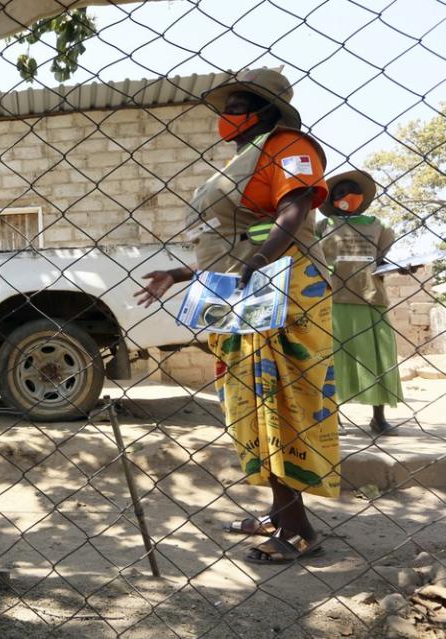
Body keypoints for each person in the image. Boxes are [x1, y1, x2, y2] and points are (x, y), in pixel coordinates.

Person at [135, 69, 341, 564]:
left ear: (267, 110)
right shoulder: (241, 161)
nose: (225, 116)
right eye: (224, 107)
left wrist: (260, 259)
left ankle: (299, 531)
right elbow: (229, 240)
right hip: (243, 294)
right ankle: (278, 510)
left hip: (278, 295)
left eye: (238, 104)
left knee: (279, 405)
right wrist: (182, 273)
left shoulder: (289, 145)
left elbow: (293, 212)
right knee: (251, 406)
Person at [316, 170, 406, 436]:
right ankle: (334, 417)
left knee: (377, 358)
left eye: (352, 190)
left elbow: (384, 260)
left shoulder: (378, 226)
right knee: (334, 359)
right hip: (333, 299)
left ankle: (379, 418)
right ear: (331, 200)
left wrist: (402, 268)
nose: (347, 196)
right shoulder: (323, 226)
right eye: (340, 192)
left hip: (371, 299)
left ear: (363, 196)